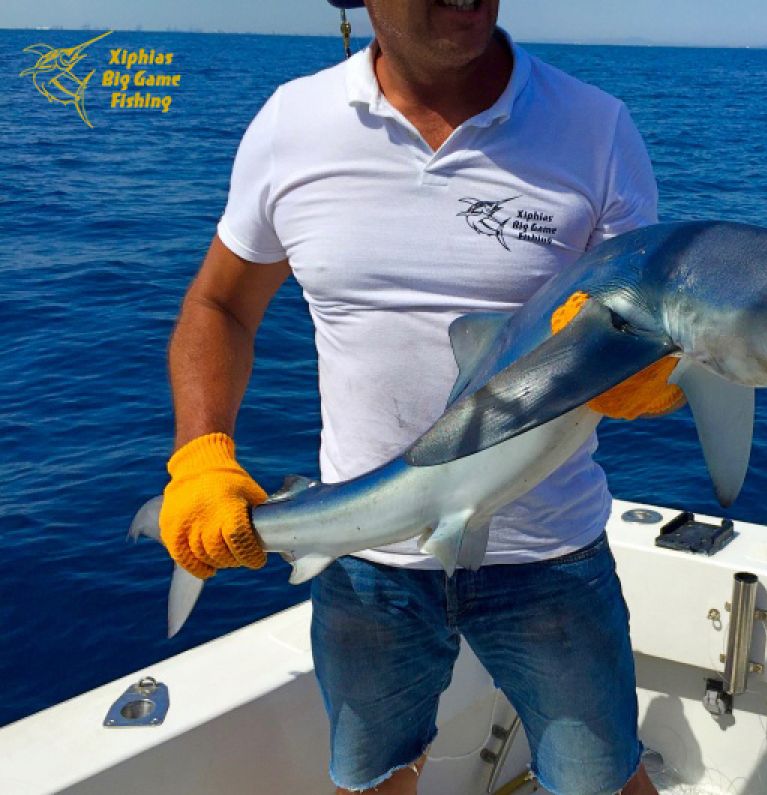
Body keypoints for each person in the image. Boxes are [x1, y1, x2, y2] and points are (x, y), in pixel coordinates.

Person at [158, 1, 663, 793]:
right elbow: (218, 307)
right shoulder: (293, 124)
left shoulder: (595, 130)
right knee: (374, 780)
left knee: (605, 780)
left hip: (549, 552)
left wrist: (648, 365)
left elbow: (643, 314)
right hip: (364, 558)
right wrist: (200, 457)